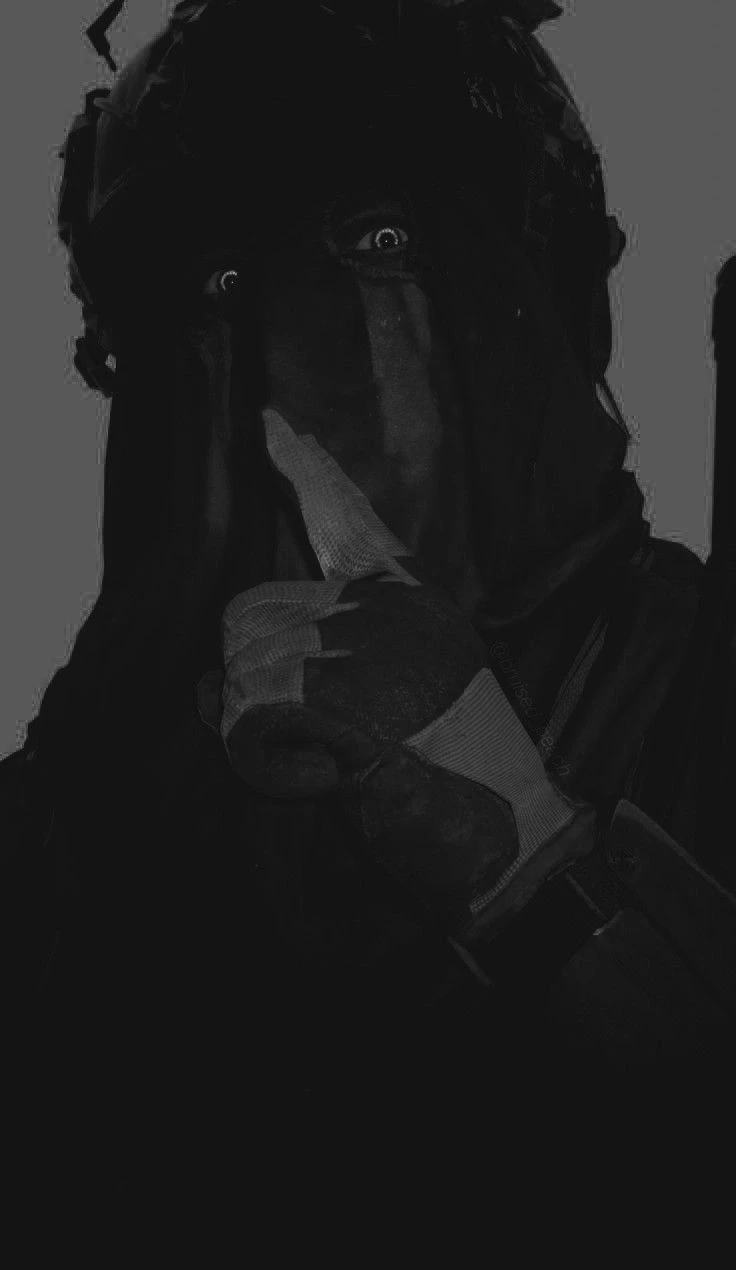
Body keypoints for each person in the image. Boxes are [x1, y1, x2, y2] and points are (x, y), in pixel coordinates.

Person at [7, 0, 735, 1125]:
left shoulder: (701, 689)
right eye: (214, 293)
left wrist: (532, 868)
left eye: (379, 246)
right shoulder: (71, 800)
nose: (271, 371)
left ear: (566, 293)